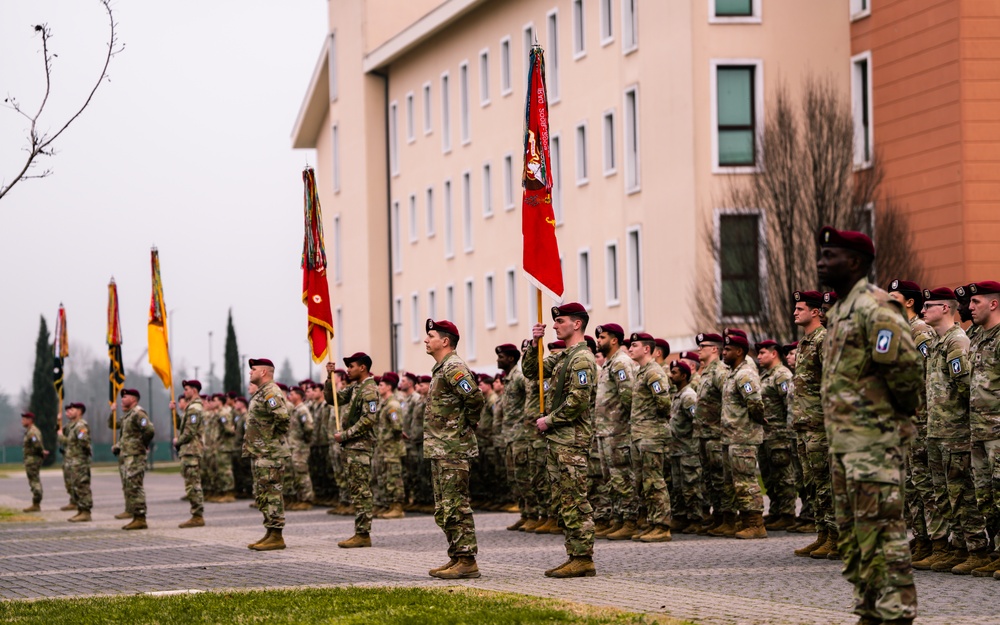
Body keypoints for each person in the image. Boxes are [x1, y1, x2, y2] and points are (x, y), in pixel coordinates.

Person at [818, 225, 921, 624]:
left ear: (856, 262)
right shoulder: (840, 310)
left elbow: (905, 372)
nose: (822, 262)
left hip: (874, 445)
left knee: (884, 534)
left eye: (831, 256)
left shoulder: (875, 307)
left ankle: (896, 614)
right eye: (822, 255)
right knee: (856, 537)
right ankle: (871, 610)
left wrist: (889, 422)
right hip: (845, 446)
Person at [915, 287, 991, 574]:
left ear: (945, 308)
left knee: (963, 493)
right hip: (936, 431)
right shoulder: (937, 342)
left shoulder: (956, 342)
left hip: (956, 432)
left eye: (929, 306)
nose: (923, 311)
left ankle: (977, 549)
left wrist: (963, 427)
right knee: (944, 494)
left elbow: (964, 388)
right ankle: (956, 548)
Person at [522, 303, 598, 578]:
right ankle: (574, 554)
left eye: (560, 320)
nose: (554, 325)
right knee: (564, 498)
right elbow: (533, 371)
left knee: (575, 498)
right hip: (559, 440)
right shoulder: (566, 356)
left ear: (576, 324)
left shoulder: (582, 359)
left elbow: (577, 401)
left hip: (571, 440)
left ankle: (583, 558)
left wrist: (549, 420)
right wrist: (535, 343)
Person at [423, 318, 485, 579]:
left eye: (431, 335)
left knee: (456, 505)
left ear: (445, 341)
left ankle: (467, 561)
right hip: (441, 449)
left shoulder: (454, 367)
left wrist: (466, 424)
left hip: (453, 448)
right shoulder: (441, 368)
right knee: (444, 507)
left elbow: (474, 397)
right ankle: (457, 555)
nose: (426, 340)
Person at [887, 279, 937, 563]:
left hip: (919, 418)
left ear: (908, 302)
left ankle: (935, 542)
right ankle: (921, 539)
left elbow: (930, 375)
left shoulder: (920, 332)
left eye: (893, 296)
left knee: (923, 482)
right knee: (908, 482)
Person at [791, 290, 832, 554]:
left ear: (815, 312)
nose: (795, 312)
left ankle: (836, 537)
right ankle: (823, 533)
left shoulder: (823, 340)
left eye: (800, 308)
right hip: (804, 425)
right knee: (813, 484)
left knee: (826, 483)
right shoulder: (805, 342)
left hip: (820, 425)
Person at [326, 352, 379, 548]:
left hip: (360, 446)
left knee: (361, 490)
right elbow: (333, 399)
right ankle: (360, 532)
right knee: (355, 489)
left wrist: (345, 435)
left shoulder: (369, 390)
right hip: (352, 447)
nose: (348, 370)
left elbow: (368, 420)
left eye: (351, 366)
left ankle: (363, 534)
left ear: (362, 367)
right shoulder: (356, 387)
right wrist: (329, 378)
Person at [592, 323, 639, 540]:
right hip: (605, 430)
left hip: (618, 431)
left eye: (602, 337)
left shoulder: (621, 363)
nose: (598, 341)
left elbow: (628, 397)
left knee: (622, 477)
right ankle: (617, 518)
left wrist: (626, 426)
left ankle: (630, 520)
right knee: (611, 479)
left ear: (614, 340)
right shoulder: (609, 364)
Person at [966, 280, 1000, 578]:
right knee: (984, 495)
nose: (970, 307)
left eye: (975, 302)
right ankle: (994, 551)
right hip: (978, 429)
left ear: (994, 303)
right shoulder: (977, 338)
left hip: (998, 431)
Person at [718, 333, 767, 539]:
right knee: (736, 482)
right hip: (732, 437)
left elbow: (755, 403)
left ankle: (756, 523)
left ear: (739, 351)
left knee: (746, 481)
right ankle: (745, 520)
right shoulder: (732, 373)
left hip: (743, 436)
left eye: (728, 350)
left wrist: (751, 425)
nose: (723, 352)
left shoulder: (745, 374)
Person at [627, 332, 674, 543]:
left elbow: (663, 403)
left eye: (634, 345)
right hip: (640, 434)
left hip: (652, 434)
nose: (630, 348)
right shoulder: (641, 371)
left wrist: (655, 423)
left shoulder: (654, 372)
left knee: (655, 481)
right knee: (644, 482)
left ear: (646, 349)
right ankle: (651, 522)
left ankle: (662, 526)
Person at [244, 358, 292, 551]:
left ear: (264, 372)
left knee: (272, 494)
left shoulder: (271, 391)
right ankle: (270, 531)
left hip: (270, 453)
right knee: (263, 494)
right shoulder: (262, 392)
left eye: (253, 369)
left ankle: (277, 535)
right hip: (261, 453)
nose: (250, 372)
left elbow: (283, 418)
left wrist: (269, 440)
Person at [756, 340, 797, 532]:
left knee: (783, 475)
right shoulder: (766, 376)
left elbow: (789, 403)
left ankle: (787, 514)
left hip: (779, 434)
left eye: (762, 353)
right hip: (767, 435)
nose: (758, 357)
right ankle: (776, 510)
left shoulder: (781, 375)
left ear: (774, 354)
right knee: (769, 475)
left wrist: (789, 432)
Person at [695, 332, 728, 534]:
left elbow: (728, 400)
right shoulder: (706, 372)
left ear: (714, 349)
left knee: (720, 478)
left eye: (703, 346)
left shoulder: (720, 372)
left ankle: (728, 517)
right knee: (710, 479)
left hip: (716, 433)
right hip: (704, 434)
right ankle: (718, 517)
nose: (699, 349)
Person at [667, 361, 704, 533]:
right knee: (678, 487)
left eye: (674, 373)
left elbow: (696, 420)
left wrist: (693, 442)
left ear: (683, 376)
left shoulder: (688, 396)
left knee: (691, 486)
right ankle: (680, 517)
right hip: (676, 449)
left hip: (688, 449)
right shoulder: (677, 395)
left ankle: (695, 519)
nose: (670, 375)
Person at [116, 388, 155, 530]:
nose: (122, 399)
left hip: (136, 455)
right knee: (130, 486)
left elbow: (149, 430)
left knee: (135, 486)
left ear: (133, 399)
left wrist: (142, 443)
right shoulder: (128, 415)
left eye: (125, 396)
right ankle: (136, 516)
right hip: (128, 455)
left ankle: (140, 518)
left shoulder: (138, 413)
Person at [172, 380, 206, 528]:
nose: (184, 392)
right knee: (191, 483)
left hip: (191, 450)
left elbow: (189, 431)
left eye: (186, 389)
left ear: (194, 390)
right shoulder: (191, 407)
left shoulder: (194, 408)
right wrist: (173, 412)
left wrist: (178, 442)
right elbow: (182, 426)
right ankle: (196, 514)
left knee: (193, 484)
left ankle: (197, 515)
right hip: (189, 450)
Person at [374, 372, 406, 519]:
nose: (378, 387)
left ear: (388, 387)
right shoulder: (384, 404)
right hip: (384, 448)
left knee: (394, 477)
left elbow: (397, 427)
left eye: (380, 385)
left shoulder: (392, 405)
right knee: (386, 478)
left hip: (392, 448)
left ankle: (398, 507)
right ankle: (389, 505)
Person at [57, 402, 92, 522]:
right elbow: (59, 430)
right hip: (71, 460)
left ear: (80, 411)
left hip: (79, 461)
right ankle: (80, 510)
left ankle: (86, 512)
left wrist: (62, 437)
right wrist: (58, 421)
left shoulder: (81, 426)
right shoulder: (72, 426)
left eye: (72, 409)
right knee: (75, 486)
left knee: (82, 486)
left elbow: (82, 443)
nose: (69, 412)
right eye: (68, 410)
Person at [285, 386, 315, 511]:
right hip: (293, 446)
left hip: (300, 447)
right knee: (295, 473)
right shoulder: (294, 410)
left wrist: (305, 441)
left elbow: (309, 428)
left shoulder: (302, 410)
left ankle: (307, 499)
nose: (289, 396)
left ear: (298, 395)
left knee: (302, 472)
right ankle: (299, 498)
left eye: (292, 394)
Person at [21, 411, 48, 512]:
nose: (22, 421)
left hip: (33, 460)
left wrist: (41, 452)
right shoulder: (30, 431)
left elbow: (36, 444)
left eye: (24, 419)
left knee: (34, 481)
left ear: (30, 420)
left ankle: (36, 503)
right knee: (33, 480)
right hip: (31, 459)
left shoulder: (32, 431)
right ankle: (36, 503)